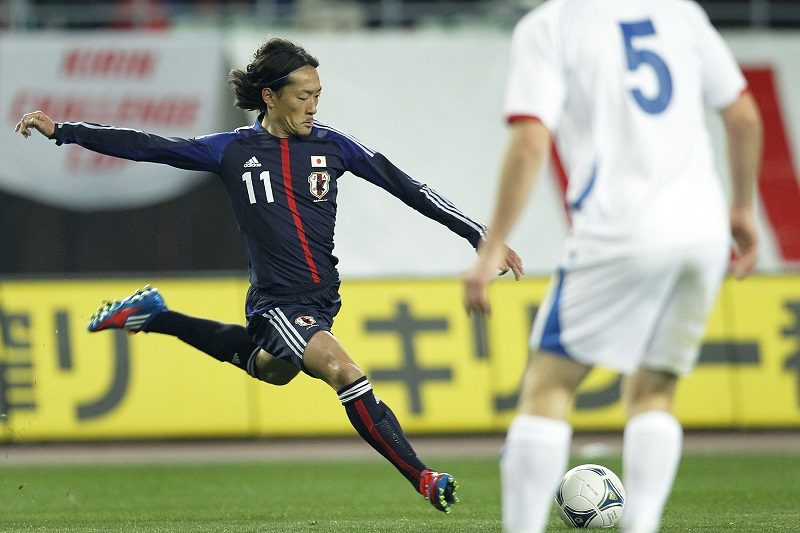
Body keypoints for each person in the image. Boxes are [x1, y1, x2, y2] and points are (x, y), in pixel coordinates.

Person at [16, 37, 522, 514]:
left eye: (318, 96)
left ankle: (158, 316)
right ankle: (424, 476)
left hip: (323, 299)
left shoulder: (333, 146)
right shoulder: (232, 150)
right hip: (276, 303)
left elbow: (406, 186)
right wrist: (64, 131)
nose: (314, 106)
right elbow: (148, 145)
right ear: (270, 97)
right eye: (304, 96)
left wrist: (480, 235)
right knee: (346, 373)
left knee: (270, 370)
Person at [462, 1, 762, 532]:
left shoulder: (550, 24)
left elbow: (532, 141)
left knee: (548, 386)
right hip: (702, 231)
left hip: (618, 228)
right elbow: (742, 116)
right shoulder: (681, 13)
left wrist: (494, 243)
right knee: (654, 392)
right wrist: (741, 207)